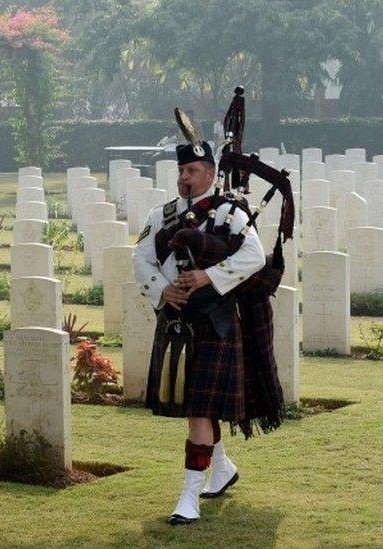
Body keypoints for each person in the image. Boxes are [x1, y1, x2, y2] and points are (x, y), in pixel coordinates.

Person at [132, 139, 268, 526]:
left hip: (214, 322)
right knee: (199, 407)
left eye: (192, 171)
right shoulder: (162, 214)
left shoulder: (228, 213)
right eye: (181, 171)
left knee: (198, 409)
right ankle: (221, 467)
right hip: (177, 323)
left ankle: (189, 496)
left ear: (210, 174)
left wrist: (208, 275)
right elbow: (139, 258)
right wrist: (163, 288)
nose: (184, 177)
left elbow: (254, 256)